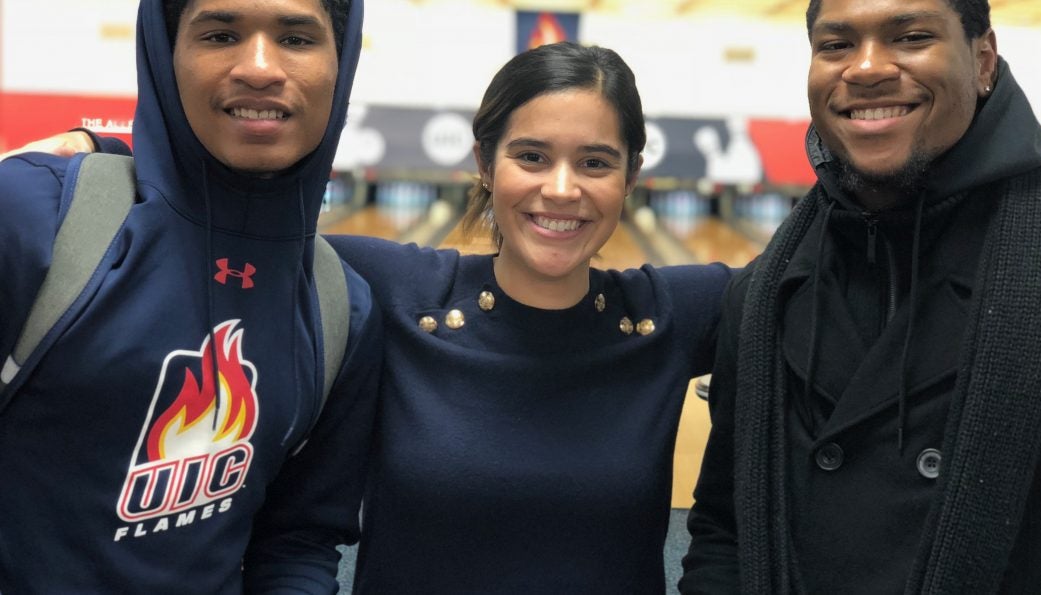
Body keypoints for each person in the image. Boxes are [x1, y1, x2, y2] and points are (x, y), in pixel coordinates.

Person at [24, 41, 732, 592]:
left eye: (597, 163)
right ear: (485, 162)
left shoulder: (668, 316)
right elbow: (233, 221)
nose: (561, 188)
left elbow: (825, 261)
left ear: (634, 177)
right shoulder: (400, 289)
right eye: (531, 155)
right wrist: (108, 150)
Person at [681, 0, 1041, 592]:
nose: (867, 67)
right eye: (836, 45)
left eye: (912, 36)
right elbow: (725, 529)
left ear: (983, 60)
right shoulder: (764, 293)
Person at [0, 0, 382, 592]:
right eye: (221, 33)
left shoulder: (343, 309)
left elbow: (297, 541)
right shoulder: (32, 215)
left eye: (297, 39)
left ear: (342, 60)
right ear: (165, 53)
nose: (259, 66)